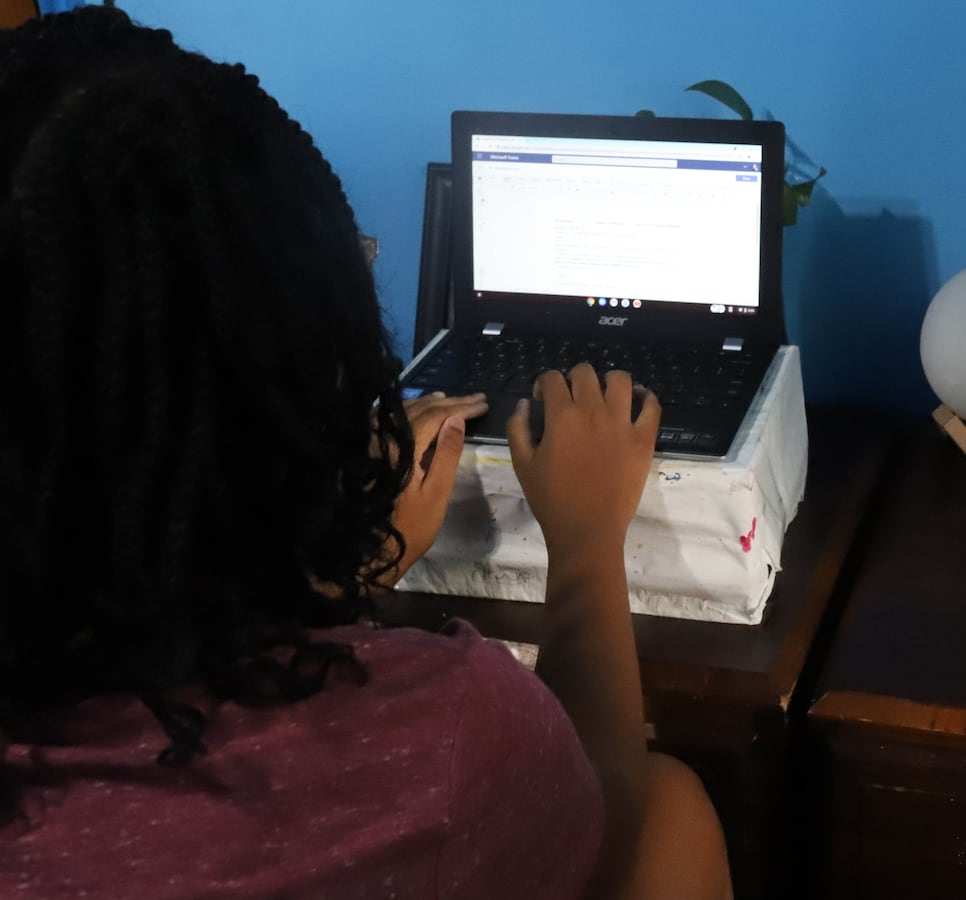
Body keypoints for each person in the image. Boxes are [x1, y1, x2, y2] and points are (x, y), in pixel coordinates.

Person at [0, 6, 731, 898]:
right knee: (671, 805)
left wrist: (331, 590)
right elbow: (598, 817)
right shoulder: (446, 732)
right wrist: (583, 543)